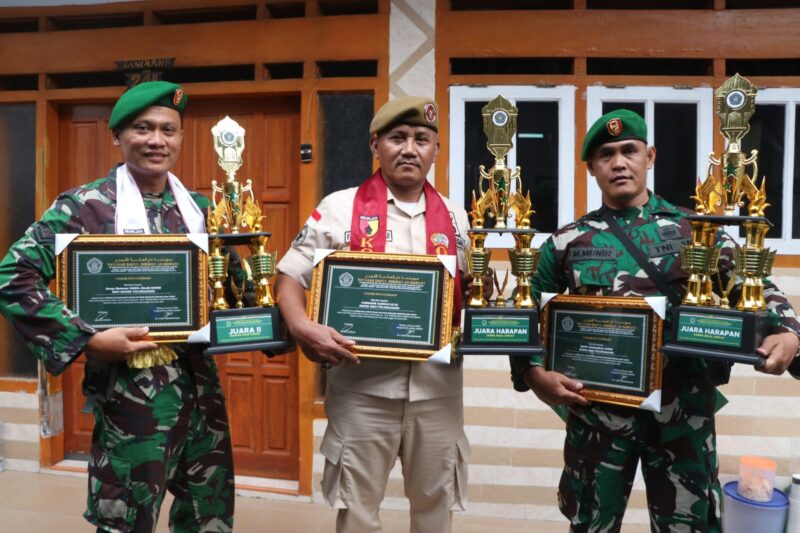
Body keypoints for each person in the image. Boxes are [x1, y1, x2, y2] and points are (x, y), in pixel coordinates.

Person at [517, 109, 800, 532]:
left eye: (629, 150)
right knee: (591, 525)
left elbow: (753, 284)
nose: (618, 162)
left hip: (682, 418)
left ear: (649, 156)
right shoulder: (564, 243)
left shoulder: (695, 231)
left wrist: (788, 332)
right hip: (598, 421)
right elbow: (524, 316)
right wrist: (533, 374)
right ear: (592, 167)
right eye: (606, 154)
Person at [0, 81, 235, 533]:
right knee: (127, 523)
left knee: (209, 519)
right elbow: (13, 277)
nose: (156, 140)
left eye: (169, 130)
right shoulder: (83, 208)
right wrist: (87, 337)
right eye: (142, 128)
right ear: (118, 136)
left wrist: (261, 322)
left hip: (203, 396)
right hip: (133, 403)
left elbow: (235, 288)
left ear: (181, 139)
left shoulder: (205, 210)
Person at [275, 96, 471, 533]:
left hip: (437, 394)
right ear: (375, 144)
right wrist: (302, 327)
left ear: (435, 149)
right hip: (362, 390)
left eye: (422, 139)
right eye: (397, 138)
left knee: (435, 509)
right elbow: (289, 276)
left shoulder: (456, 218)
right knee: (359, 512)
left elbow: (466, 298)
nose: (410, 149)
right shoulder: (339, 208)